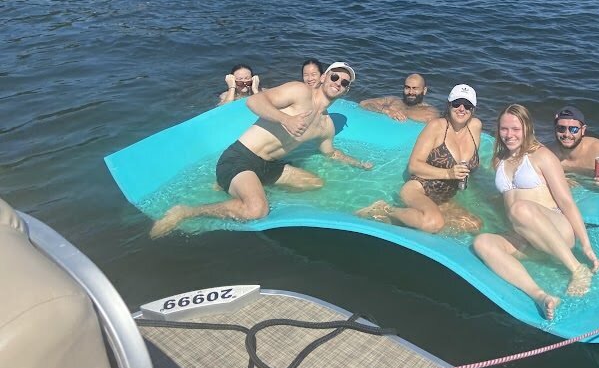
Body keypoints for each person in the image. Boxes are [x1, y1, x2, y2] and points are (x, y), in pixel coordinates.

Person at [151, 62, 373, 238]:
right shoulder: (299, 91)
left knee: (315, 184)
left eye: (344, 83)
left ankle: (240, 188)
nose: (338, 83)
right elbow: (255, 102)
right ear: (324, 77)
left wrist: (358, 163)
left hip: (268, 166)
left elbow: (330, 152)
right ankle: (187, 212)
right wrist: (286, 119)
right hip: (240, 157)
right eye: (335, 76)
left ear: (345, 90)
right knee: (257, 210)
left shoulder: (326, 126)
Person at [473, 104, 599, 321]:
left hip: (556, 230)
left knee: (520, 208)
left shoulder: (542, 156)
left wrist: (586, 246)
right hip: (528, 237)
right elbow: (509, 195)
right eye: (504, 129)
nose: (509, 134)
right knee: (482, 242)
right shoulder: (499, 160)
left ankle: (577, 269)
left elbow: (566, 202)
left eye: (515, 129)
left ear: (527, 128)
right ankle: (540, 296)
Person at [357, 84, 482, 234]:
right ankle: (385, 209)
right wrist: (449, 173)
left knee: (475, 225)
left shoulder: (475, 126)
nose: (462, 108)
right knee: (434, 223)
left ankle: (411, 219)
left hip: (444, 197)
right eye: (457, 103)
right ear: (449, 105)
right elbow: (414, 166)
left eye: (467, 105)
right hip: (420, 188)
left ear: (473, 109)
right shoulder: (437, 126)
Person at [551, 106, 599, 191]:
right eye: (561, 128)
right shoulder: (549, 153)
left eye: (573, 129)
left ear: (583, 130)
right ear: (555, 129)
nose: (567, 134)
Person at [359, 73, 440, 123]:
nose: (410, 92)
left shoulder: (431, 112)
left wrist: (404, 113)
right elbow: (364, 103)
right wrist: (387, 111)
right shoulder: (393, 100)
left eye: (415, 88)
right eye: (407, 87)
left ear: (424, 90)